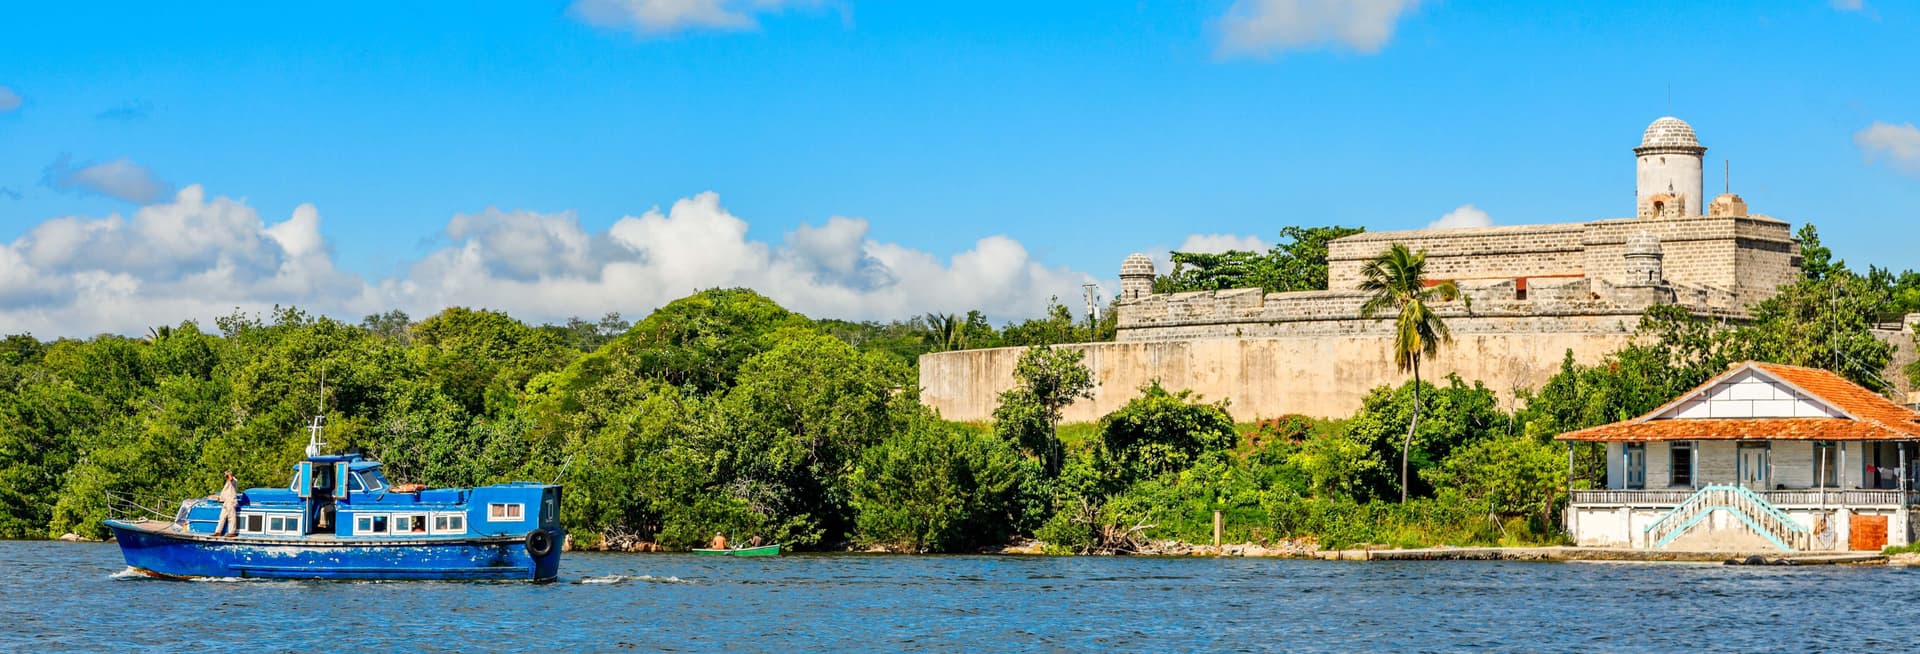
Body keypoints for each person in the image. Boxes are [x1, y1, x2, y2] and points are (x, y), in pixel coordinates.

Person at [213, 470, 240, 537]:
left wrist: (229, 474)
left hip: (231, 501)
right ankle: (218, 532)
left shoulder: (234, 480)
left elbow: (231, 479)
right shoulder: (227, 482)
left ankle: (232, 532)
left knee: (231, 517)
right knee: (222, 517)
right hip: (226, 502)